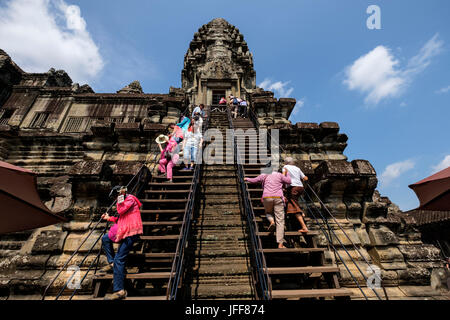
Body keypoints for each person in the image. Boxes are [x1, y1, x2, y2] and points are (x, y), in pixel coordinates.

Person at [100, 186, 143, 300]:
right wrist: (109, 218)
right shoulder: (125, 201)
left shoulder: (130, 199)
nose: (115, 200)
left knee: (119, 260)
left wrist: (120, 197)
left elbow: (120, 210)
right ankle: (112, 263)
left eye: (115, 197)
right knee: (105, 238)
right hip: (125, 230)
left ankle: (120, 291)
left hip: (131, 232)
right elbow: (121, 218)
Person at [245, 167, 291, 248]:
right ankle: (280, 243)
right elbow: (289, 181)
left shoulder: (264, 175)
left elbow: (254, 180)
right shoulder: (279, 175)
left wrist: (247, 178)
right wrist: (287, 173)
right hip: (278, 198)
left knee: (268, 212)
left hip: (267, 197)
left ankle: (272, 221)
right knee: (280, 220)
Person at [282, 157, 309, 233]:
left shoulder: (285, 167)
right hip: (300, 187)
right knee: (294, 202)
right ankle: (302, 213)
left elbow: (283, 177)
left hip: (292, 187)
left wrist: (282, 186)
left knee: (294, 205)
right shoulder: (297, 168)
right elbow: (305, 178)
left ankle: (304, 227)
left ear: (285, 162)